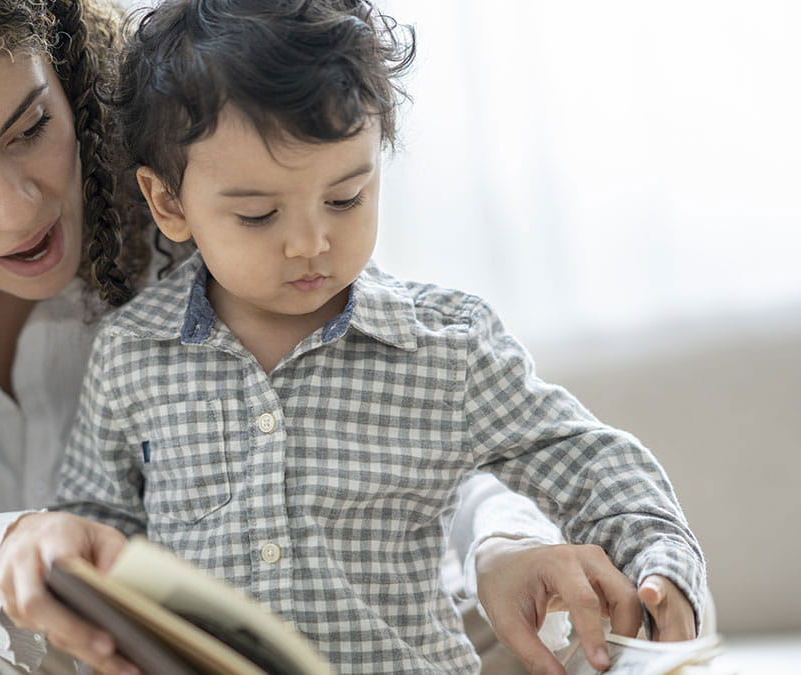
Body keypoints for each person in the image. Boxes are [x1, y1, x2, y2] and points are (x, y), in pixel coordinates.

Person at [0, 0, 672, 674]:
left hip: (254, 636)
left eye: (28, 129)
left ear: (62, 72)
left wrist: (507, 538)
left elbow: (384, 399)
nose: (16, 212)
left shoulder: (195, 198)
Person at [53, 0, 706, 672]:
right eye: (257, 214)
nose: (311, 242)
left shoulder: (446, 344)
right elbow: (89, 526)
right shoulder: (131, 353)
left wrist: (662, 565)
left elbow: (590, 461)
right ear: (169, 204)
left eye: (345, 198)